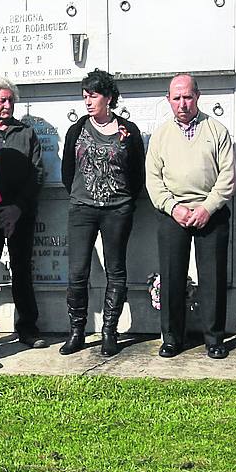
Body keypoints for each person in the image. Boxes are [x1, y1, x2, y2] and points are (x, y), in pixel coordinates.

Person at [146, 74, 233, 359]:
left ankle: (215, 338)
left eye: (187, 97)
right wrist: (173, 207)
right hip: (174, 214)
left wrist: (207, 208)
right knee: (172, 277)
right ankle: (172, 338)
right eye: (176, 98)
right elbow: (153, 180)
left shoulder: (217, 130)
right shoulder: (160, 135)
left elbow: (228, 177)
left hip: (211, 213)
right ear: (168, 99)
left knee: (213, 278)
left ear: (197, 96)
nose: (182, 104)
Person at [60, 69, 145, 357]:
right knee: (77, 272)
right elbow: (66, 172)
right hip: (82, 208)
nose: (87, 102)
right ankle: (77, 331)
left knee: (116, 270)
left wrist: (123, 201)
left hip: (117, 209)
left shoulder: (128, 131)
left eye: (93, 96)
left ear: (108, 97)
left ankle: (110, 331)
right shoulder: (78, 129)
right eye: (84, 96)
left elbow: (137, 174)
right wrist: (82, 195)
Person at [0, 76, 48, 350]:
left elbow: (37, 173)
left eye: (10, 100)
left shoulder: (26, 133)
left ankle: (28, 329)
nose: (7, 105)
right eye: (2, 101)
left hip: (21, 213)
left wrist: (17, 208)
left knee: (22, 271)